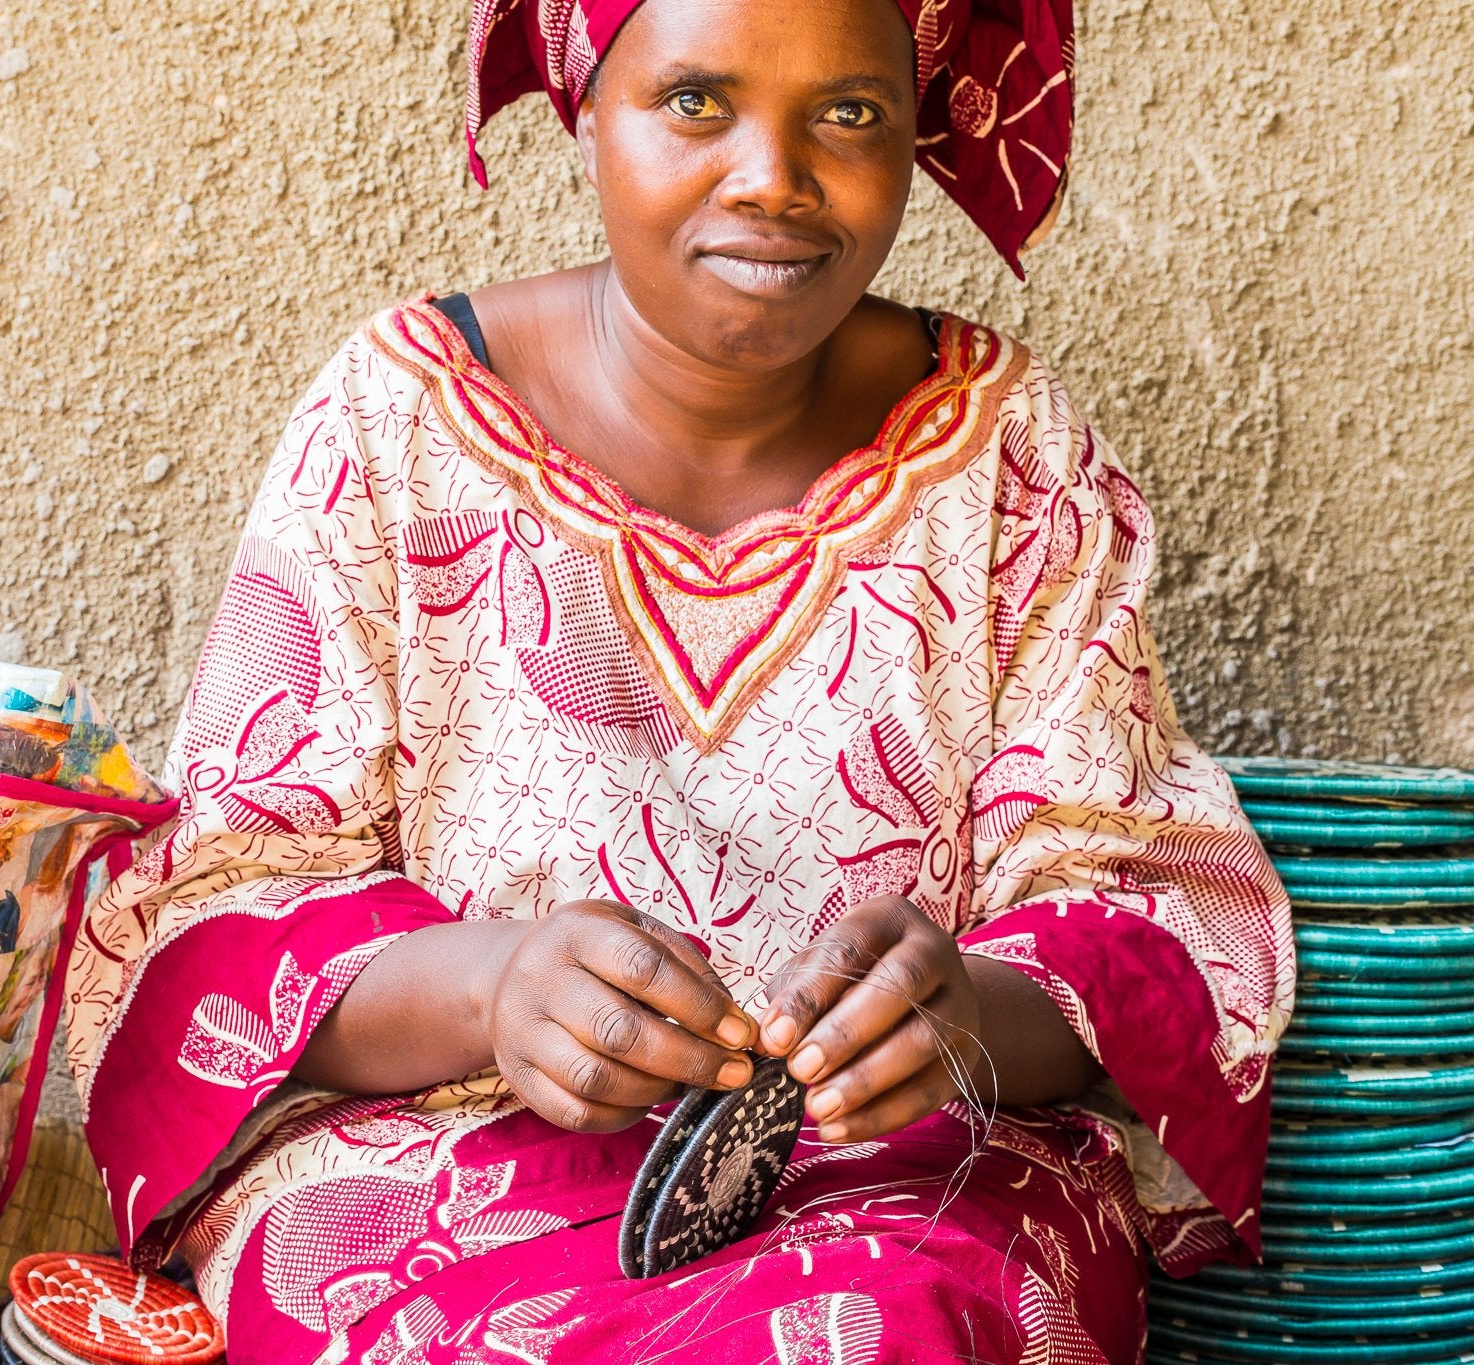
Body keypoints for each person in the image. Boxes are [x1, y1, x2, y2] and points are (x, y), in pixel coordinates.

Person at [65, 1, 1295, 1362]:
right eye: (698, 101)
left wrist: (968, 1018)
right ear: (588, 109)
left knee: (884, 1335)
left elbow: (1148, 921)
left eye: (850, 112)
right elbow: (209, 913)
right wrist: (495, 989)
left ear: (920, 130)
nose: (774, 173)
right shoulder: (394, 417)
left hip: (905, 1189)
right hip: (434, 1160)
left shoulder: (1008, 446)